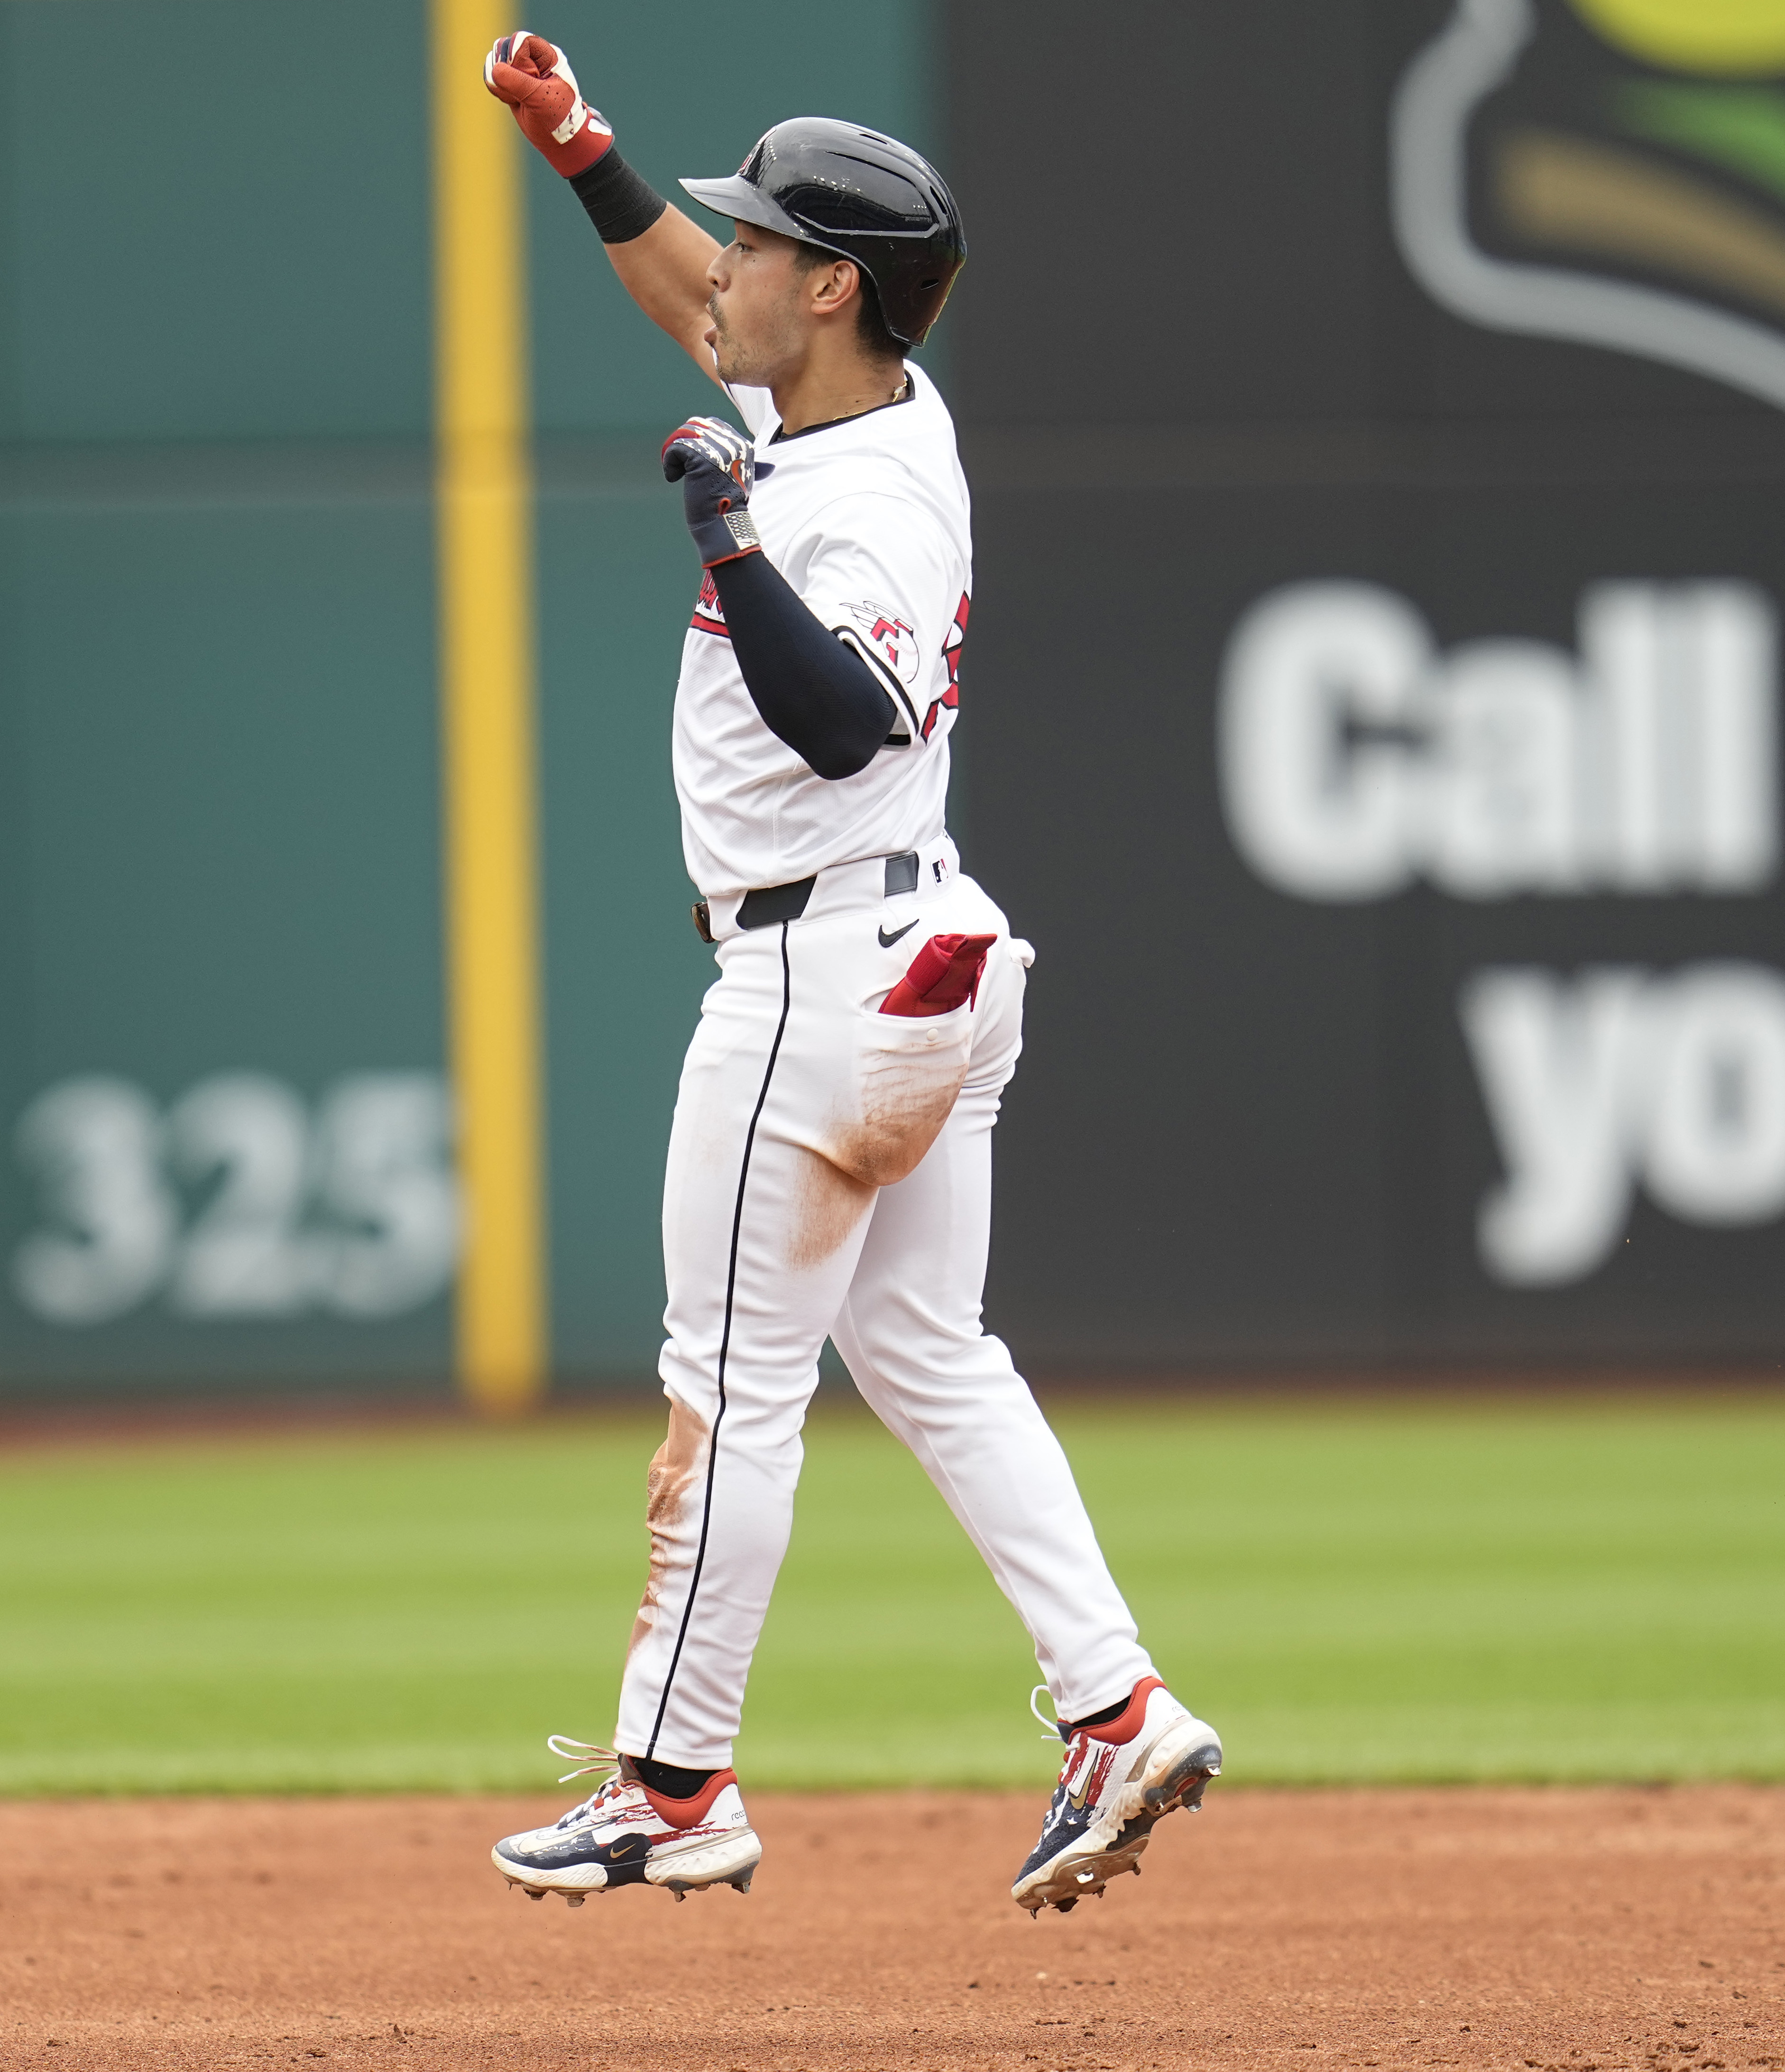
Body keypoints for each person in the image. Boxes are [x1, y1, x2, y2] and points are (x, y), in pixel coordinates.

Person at [473, 32, 1223, 1916]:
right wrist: (585, 150)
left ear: (832, 286)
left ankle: (670, 1782)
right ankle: (1116, 1704)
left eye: (755, 239)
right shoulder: (869, 405)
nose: (717, 259)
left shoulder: (856, 495)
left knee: (727, 1388)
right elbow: (692, 313)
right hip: (917, 946)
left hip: (818, 980)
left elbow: (845, 719)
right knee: (929, 1356)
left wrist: (724, 532)